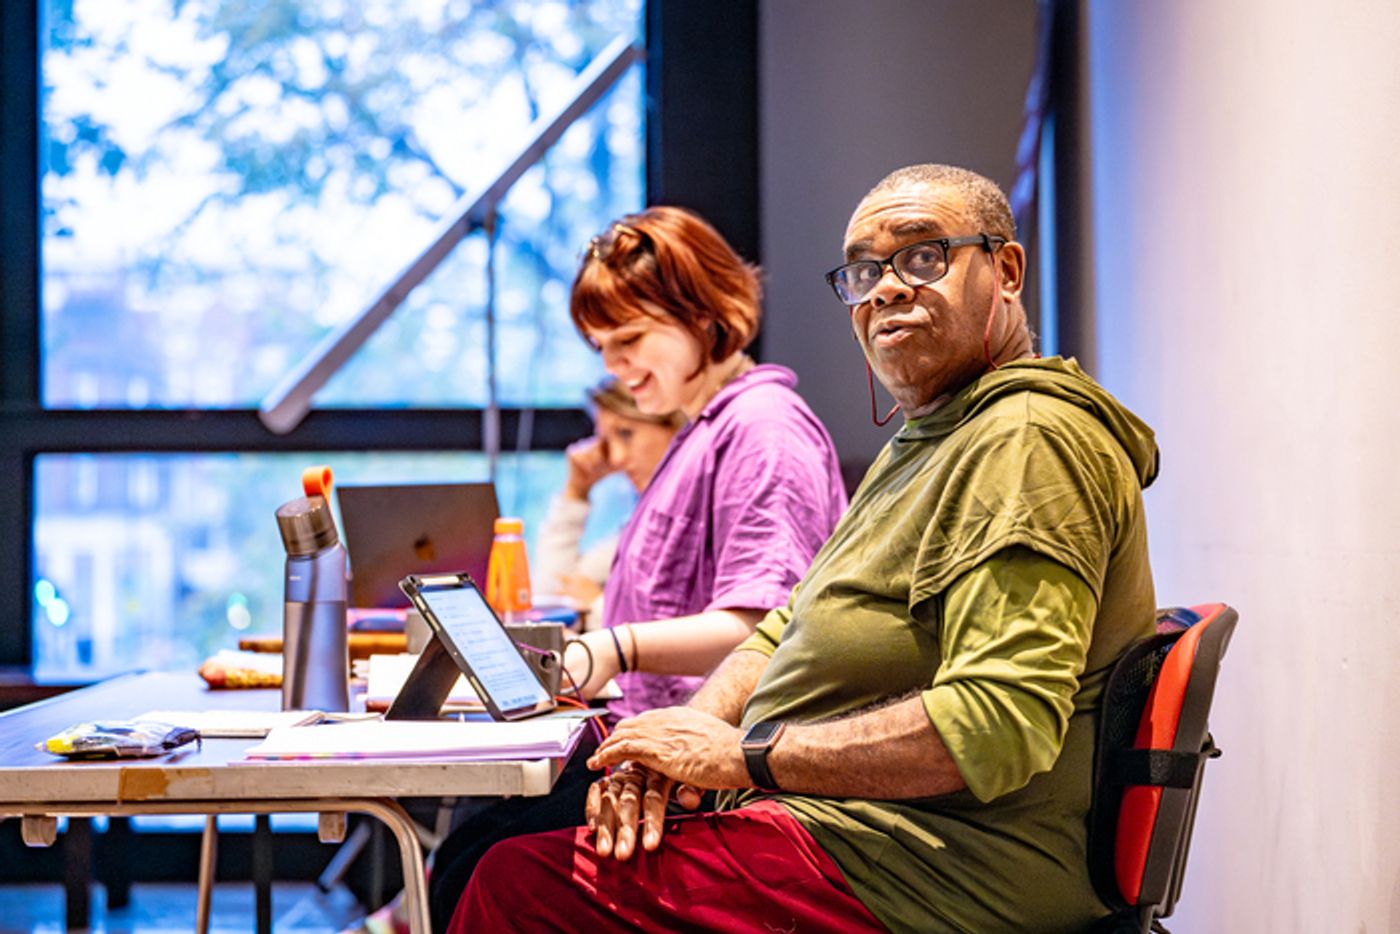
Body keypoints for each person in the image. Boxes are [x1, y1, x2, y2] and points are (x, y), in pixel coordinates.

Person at [451, 164, 1161, 933]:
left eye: (924, 256)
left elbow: (994, 725)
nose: (886, 289)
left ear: (1008, 270)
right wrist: (677, 747)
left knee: (512, 881)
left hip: (932, 868)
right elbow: (784, 624)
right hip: (840, 823)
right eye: (864, 273)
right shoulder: (932, 439)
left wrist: (742, 754)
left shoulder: (1026, 440)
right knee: (486, 850)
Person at [425, 204, 847, 932]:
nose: (614, 367)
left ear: (706, 315)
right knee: (469, 840)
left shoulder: (764, 432)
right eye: (601, 346)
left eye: (629, 340)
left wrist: (610, 649)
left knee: (483, 862)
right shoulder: (705, 433)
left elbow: (762, 628)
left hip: (705, 775)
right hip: (643, 742)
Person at [533, 378, 683, 627]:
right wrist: (576, 491)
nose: (616, 458)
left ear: (676, 425)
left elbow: (674, 633)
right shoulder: (644, 520)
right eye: (606, 443)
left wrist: (597, 605)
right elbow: (553, 596)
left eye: (626, 434)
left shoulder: (693, 519)